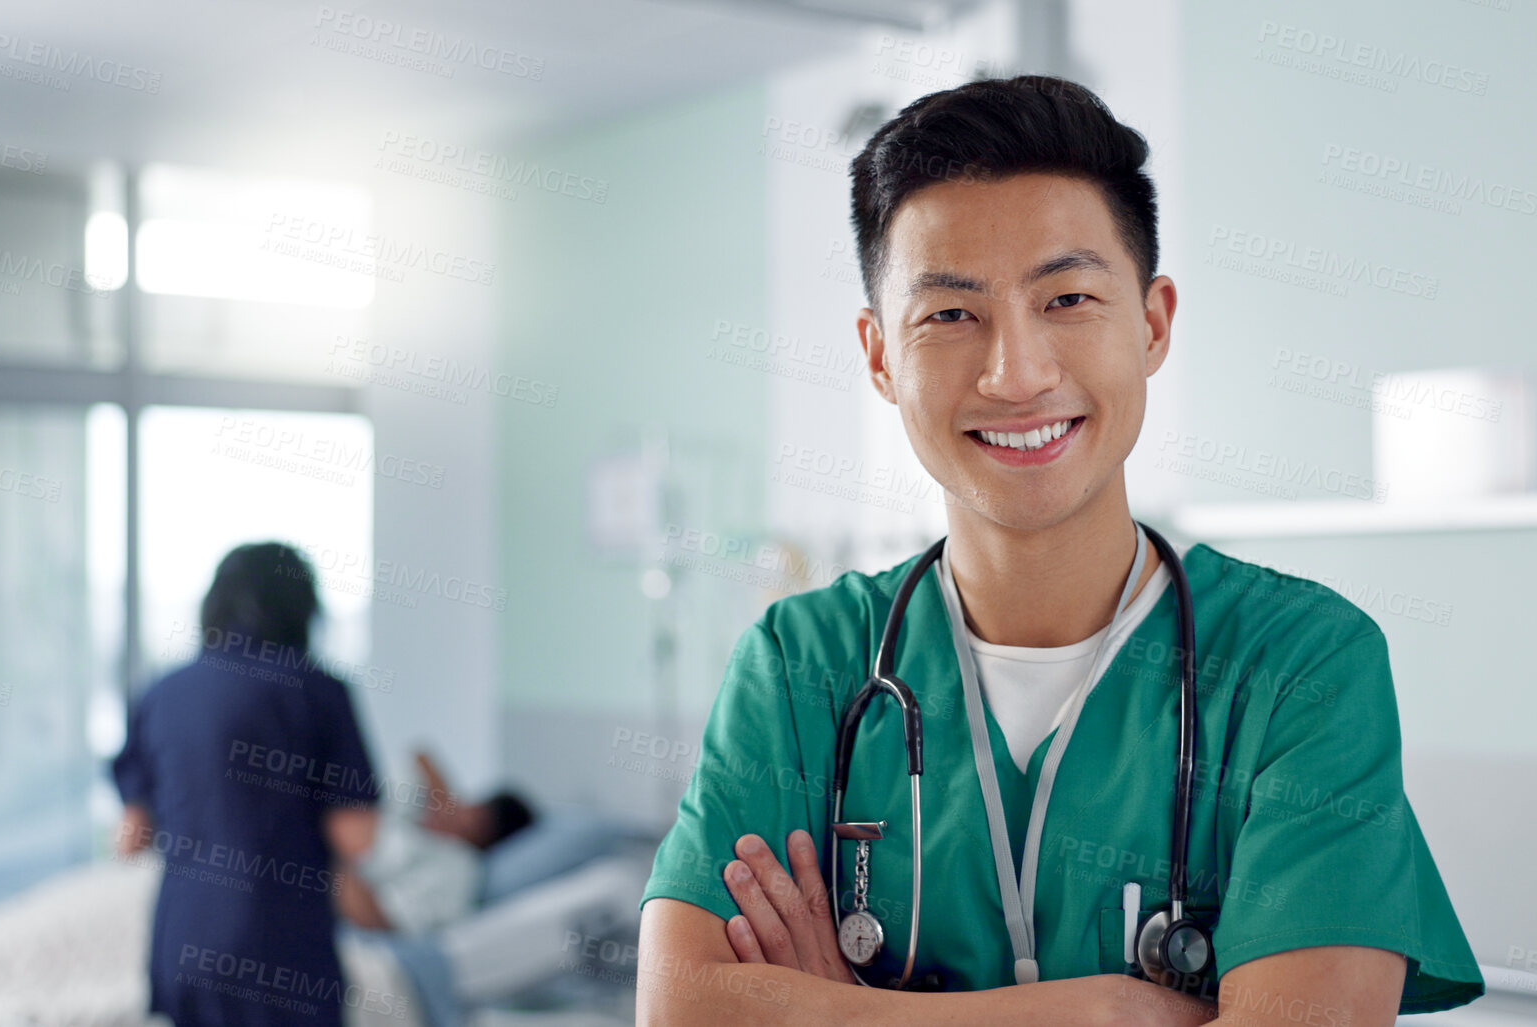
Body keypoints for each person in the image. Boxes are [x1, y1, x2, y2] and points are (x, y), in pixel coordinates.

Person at [635, 75, 1486, 1025]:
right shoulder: (802, 663)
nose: (1016, 374)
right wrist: (1107, 1012)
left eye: (1068, 297)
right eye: (950, 315)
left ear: (1153, 323)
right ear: (880, 356)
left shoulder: (1301, 664)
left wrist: (837, 1013)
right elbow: (681, 1010)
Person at [113, 542, 381, 1027]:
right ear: (302, 609)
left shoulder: (161, 692)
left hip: (183, 939)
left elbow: (131, 839)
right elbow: (356, 837)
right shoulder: (318, 692)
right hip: (280, 947)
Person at [335, 750, 537, 935]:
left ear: (487, 840)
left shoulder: (460, 870)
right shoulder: (429, 806)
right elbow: (420, 755)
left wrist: (329, 862)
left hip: (334, 877)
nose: (464, 819)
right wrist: (443, 799)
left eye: (478, 824)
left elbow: (382, 918)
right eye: (472, 809)